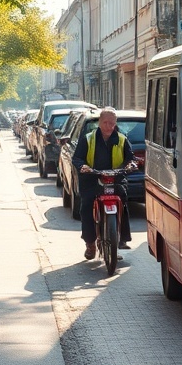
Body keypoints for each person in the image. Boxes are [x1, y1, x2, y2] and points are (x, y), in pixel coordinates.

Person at [71, 107, 135, 259]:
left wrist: (129, 166)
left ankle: (121, 239)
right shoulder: (88, 139)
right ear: (99, 122)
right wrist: (83, 167)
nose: (108, 126)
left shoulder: (122, 139)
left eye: (112, 123)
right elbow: (77, 158)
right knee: (87, 206)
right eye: (105, 122)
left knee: (123, 199)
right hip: (92, 178)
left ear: (115, 123)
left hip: (115, 178)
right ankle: (90, 243)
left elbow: (130, 158)